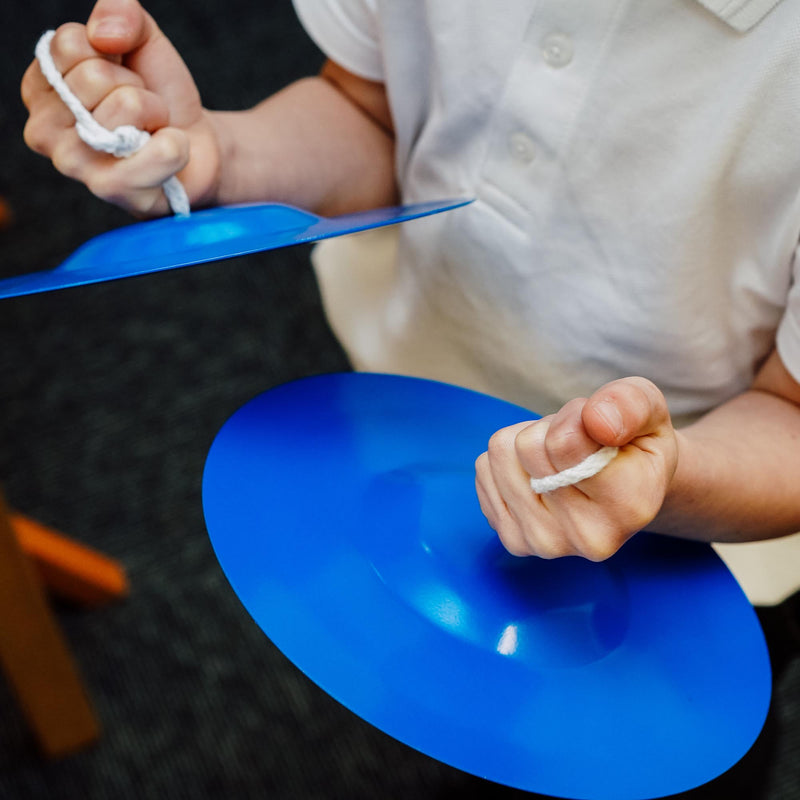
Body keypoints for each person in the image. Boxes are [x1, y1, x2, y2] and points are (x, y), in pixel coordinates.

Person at [20, 0, 800, 565]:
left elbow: (789, 417)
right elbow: (374, 114)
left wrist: (660, 480)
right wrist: (216, 153)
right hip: (398, 382)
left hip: (691, 525)